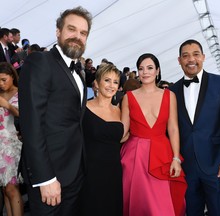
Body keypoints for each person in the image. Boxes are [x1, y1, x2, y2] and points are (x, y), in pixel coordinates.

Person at [18, 6, 92, 216]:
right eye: (71, 29)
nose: (77, 36)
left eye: (83, 33)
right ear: (58, 32)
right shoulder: (40, 61)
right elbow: (31, 124)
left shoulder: (80, 73)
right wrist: (45, 178)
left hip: (75, 172)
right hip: (49, 175)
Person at [169, 39, 220, 216]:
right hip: (186, 167)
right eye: (185, 56)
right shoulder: (172, 91)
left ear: (203, 57)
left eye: (195, 54)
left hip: (217, 165)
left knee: (219, 211)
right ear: (179, 60)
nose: (191, 59)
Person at [121, 53, 187, 216]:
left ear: (157, 71)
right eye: (141, 69)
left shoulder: (169, 95)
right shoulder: (128, 97)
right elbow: (122, 131)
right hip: (134, 157)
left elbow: (173, 128)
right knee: (136, 204)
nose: (145, 72)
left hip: (162, 155)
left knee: (161, 207)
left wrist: (176, 158)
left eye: (150, 68)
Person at [78, 63, 124, 215]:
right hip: (89, 175)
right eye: (107, 80)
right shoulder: (83, 108)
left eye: (115, 82)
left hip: (114, 174)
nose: (111, 85)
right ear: (96, 83)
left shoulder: (120, 111)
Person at [0, 62, 24, 216]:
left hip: (10, 146)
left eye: (3, 79)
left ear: (12, 76)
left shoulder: (20, 93)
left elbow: (24, 115)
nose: (1, 84)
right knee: (4, 190)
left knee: (11, 188)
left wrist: (7, 106)